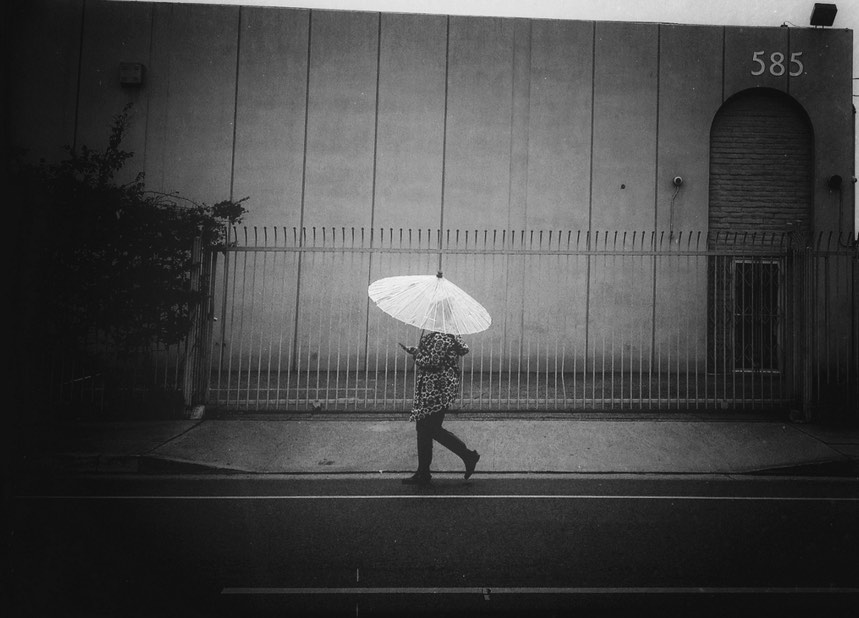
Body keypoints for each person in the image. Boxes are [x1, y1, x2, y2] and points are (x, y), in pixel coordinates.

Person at [399, 330, 480, 486]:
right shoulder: (447, 336)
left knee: (429, 428)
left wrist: (417, 354)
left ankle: (467, 456)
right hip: (438, 389)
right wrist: (417, 351)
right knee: (425, 428)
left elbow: (433, 362)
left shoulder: (440, 338)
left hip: (435, 390)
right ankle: (423, 471)